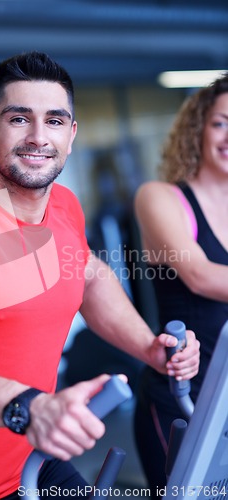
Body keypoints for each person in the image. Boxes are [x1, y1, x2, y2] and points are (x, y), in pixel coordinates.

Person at [0, 51, 199, 500]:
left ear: (71, 135)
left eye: (54, 121)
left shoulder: (64, 207)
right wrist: (27, 407)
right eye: (19, 119)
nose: (39, 137)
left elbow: (89, 276)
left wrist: (149, 347)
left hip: (37, 459)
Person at [133, 72, 228, 498]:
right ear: (198, 130)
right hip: (184, 401)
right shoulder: (159, 197)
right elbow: (201, 275)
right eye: (221, 122)